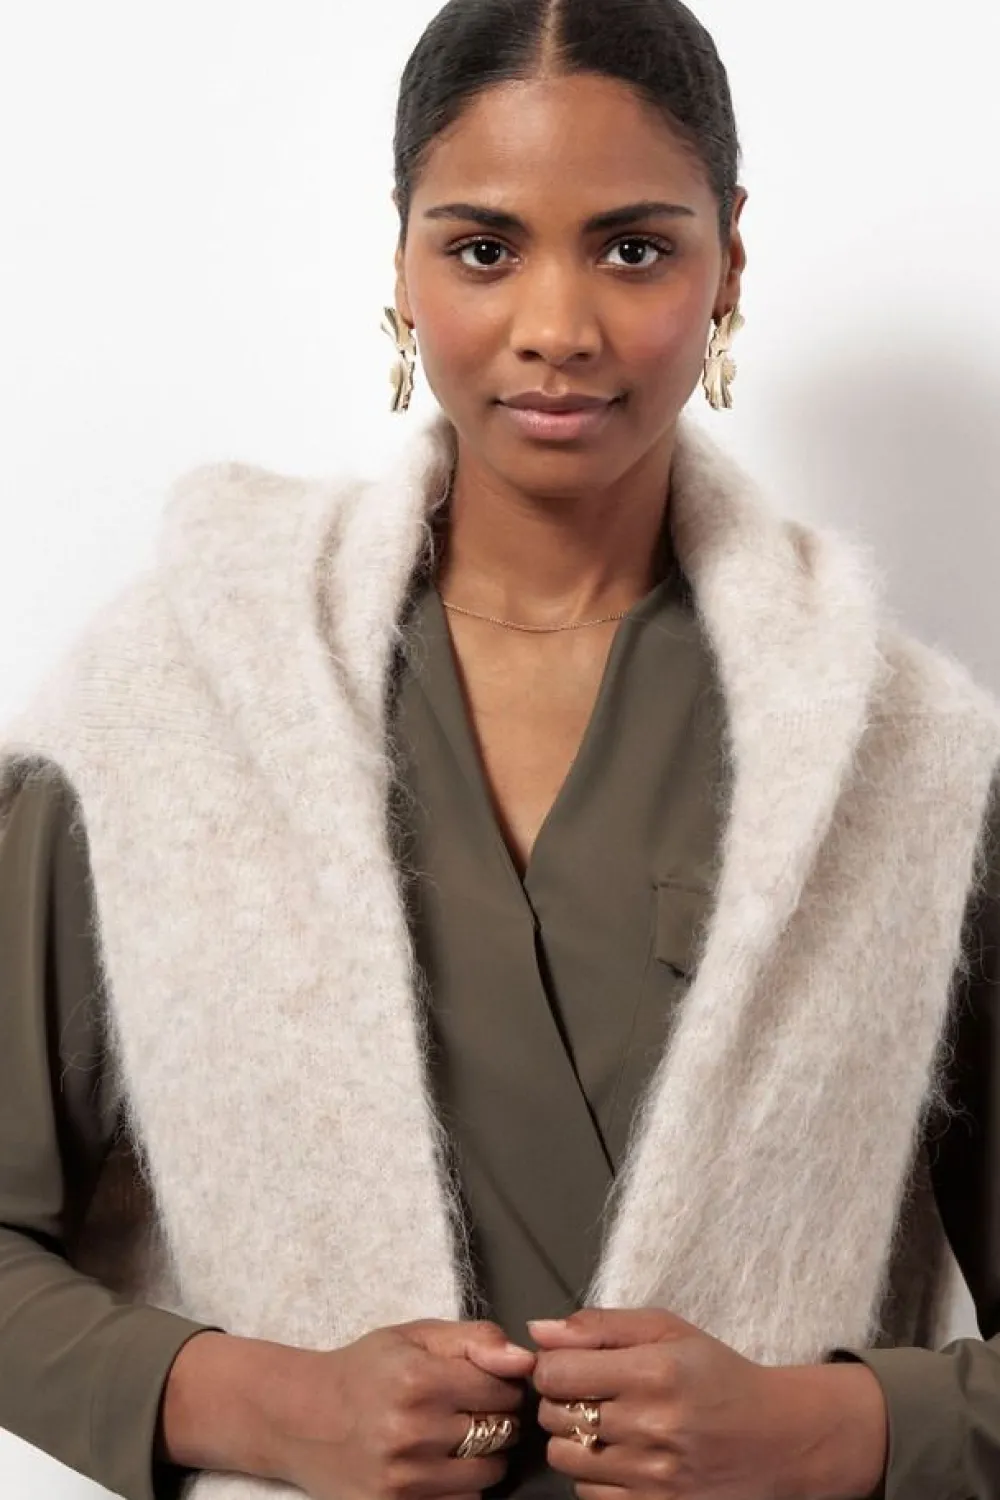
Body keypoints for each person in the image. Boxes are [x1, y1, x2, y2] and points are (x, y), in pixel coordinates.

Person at [1, 1, 999, 1498]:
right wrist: (258, 1404)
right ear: (401, 265)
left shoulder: (913, 762)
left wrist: (830, 1430)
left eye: (634, 249)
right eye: (483, 249)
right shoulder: (168, 703)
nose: (557, 327)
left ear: (731, 263)